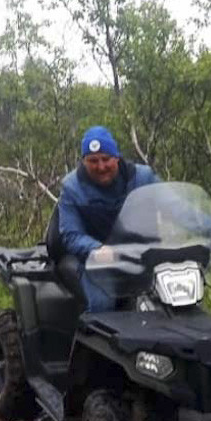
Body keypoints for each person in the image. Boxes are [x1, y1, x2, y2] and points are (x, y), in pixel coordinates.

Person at [57, 126, 160, 312]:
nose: (101, 166)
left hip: (141, 256)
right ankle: (87, 340)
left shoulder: (142, 178)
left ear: (117, 157)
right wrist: (96, 249)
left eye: (106, 159)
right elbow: (70, 234)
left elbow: (174, 204)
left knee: (178, 295)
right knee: (102, 306)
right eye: (93, 161)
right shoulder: (72, 188)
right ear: (83, 161)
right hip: (95, 261)